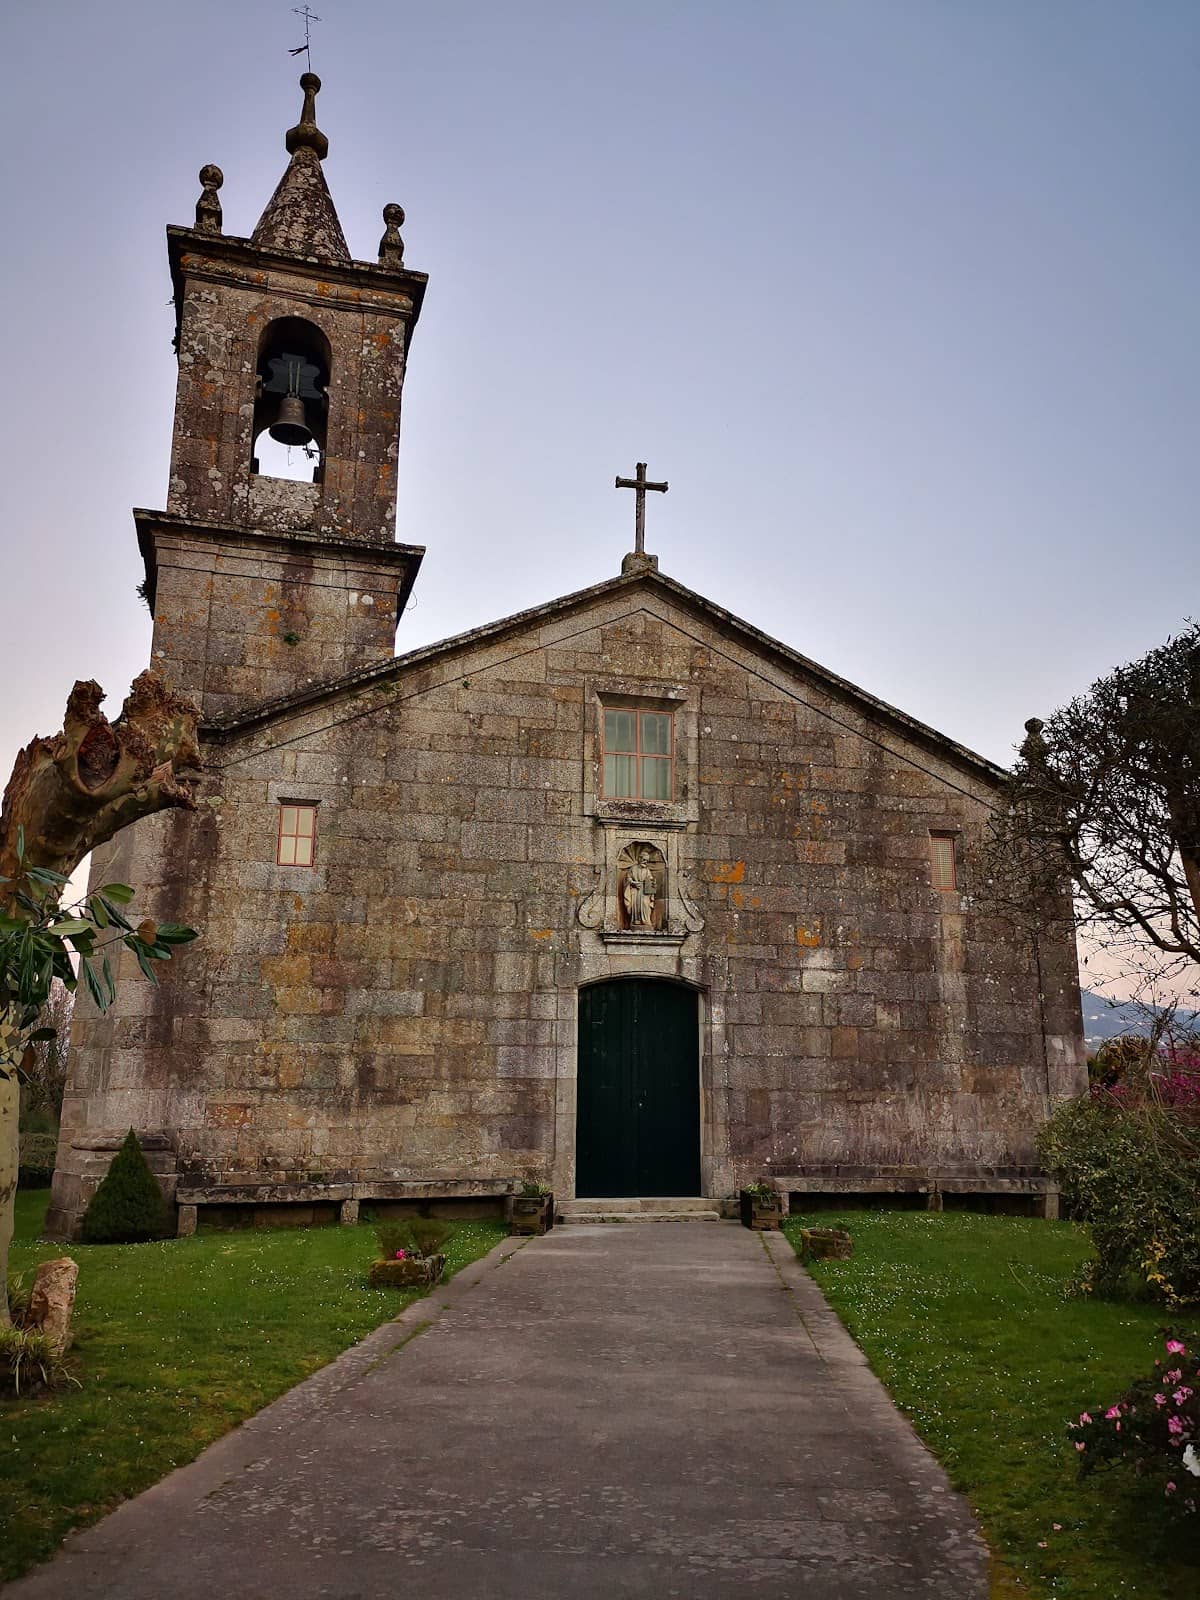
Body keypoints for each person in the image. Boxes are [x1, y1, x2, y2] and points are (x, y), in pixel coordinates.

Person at [623, 847, 658, 929]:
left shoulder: (647, 870)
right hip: (635, 890)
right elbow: (628, 878)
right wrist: (634, 883)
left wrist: (653, 883)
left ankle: (646, 921)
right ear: (640, 859)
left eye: (647, 860)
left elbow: (650, 879)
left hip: (645, 891)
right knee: (636, 905)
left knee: (645, 904)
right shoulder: (633, 869)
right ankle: (636, 920)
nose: (645, 862)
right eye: (644, 859)